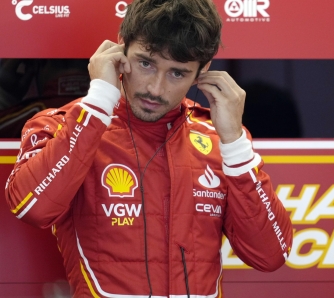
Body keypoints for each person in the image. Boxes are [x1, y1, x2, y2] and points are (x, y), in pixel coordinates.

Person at [4, 0, 293, 297]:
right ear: (121, 48)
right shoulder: (65, 126)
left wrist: (234, 142)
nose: (155, 88)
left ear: (202, 71)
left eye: (177, 73)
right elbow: (32, 209)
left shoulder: (222, 140)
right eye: (146, 63)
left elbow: (270, 255)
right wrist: (100, 101)